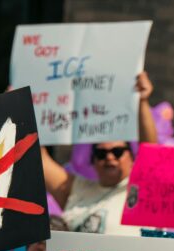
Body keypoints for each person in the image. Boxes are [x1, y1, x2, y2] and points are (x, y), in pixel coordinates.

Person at [41, 72, 157, 236]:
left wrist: (142, 101)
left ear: (132, 157)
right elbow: (39, 159)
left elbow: (151, 152)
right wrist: (18, 108)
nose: (109, 157)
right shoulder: (75, 189)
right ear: (93, 160)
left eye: (117, 152)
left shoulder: (142, 190)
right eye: (101, 153)